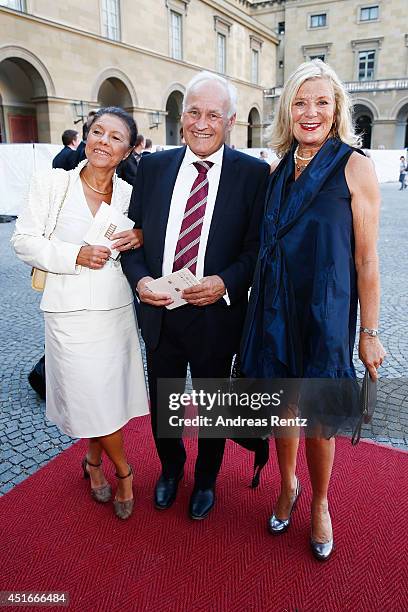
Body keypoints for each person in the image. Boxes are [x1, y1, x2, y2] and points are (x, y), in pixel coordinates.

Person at [241, 60, 386, 560]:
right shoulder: (277, 169)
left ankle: (320, 503)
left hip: (325, 311)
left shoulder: (354, 165)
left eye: (322, 102)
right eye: (301, 102)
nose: (310, 112)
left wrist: (369, 332)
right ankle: (287, 485)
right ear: (288, 111)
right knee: (282, 408)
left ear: (337, 109)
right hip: (275, 310)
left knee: (319, 415)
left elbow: (367, 257)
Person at [121, 71, 270, 520]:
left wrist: (225, 282)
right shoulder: (153, 167)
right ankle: (171, 470)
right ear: (181, 116)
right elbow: (134, 240)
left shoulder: (252, 174)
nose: (201, 123)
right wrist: (140, 281)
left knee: (211, 404)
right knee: (165, 401)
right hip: (160, 311)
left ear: (230, 120)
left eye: (213, 115)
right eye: (193, 113)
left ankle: (206, 480)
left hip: (217, 314)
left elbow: (255, 250)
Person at [12, 107, 149, 520]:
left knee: (106, 396)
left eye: (115, 137)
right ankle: (124, 471)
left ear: (128, 149)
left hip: (116, 310)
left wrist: (142, 234)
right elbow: (23, 241)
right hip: (68, 313)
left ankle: (92, 461)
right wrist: (75, 253)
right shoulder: (54, 184)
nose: (103, 142)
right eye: (97, 132)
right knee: (89, 393)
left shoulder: (128, 195)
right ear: (86, 136)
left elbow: (149, 241)